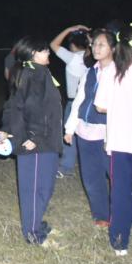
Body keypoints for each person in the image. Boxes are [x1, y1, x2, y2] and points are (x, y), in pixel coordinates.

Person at [0, 36, 63, 247]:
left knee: (45, 187)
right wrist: (33, 135)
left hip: (46, 139)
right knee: (34, 190)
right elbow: (28, 107)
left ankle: (36, 224)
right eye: (44, 50)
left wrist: (5, 129)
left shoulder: (35, 72)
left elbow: (13, 105)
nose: (48, 53)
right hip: (36, 141)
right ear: (32, 54)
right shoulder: (34, 73)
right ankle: (32, 233)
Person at [93, 21, 132, 256]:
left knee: (120, 191)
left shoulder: (112, 69)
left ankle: (120, 243)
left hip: (122, 141)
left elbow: (100, 106)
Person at [64, 28, 114, 227]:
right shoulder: (90, 72)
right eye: (94, 44)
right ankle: (102, 215)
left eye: (101, 44)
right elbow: (79, 100)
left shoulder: (121, 73)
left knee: (118, 177)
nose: (95, 48)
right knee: (92, 177)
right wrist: (70, 128)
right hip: (84, 133)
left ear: (113, 48)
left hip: (108, 133)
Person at [51, 24, 91, 178]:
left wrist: (70, 29)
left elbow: (53, 44)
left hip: (74, 101)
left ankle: (66, 167)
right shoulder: (92, 57)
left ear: (73, 44)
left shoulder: (73, 58)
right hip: (90, 101)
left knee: (70, 133)